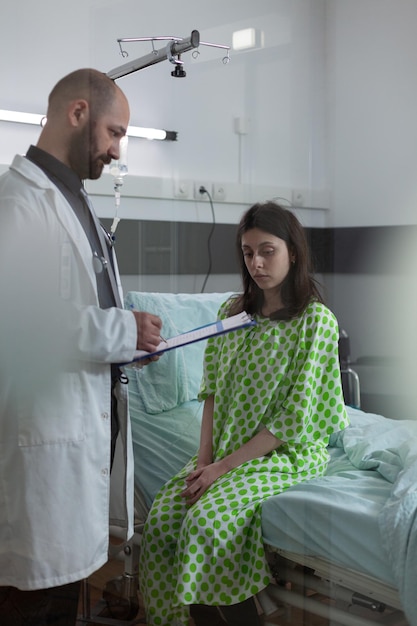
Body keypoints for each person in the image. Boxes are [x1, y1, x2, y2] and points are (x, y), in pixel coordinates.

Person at [0, 68, 162, 625]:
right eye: (114, 132)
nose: (118, 150)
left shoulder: (76, 200)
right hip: (40, 446)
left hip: (78, 439)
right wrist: (123, 331)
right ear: (77, 114)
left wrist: (129, 339)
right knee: (29, 601)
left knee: (64, 597)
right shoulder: (18, 204)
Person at [138, 201, 350, 626]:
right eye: (248, 252)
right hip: (225, 451)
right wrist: (203, 464)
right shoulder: (231, 314)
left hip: (285, 453)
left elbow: (293, 420)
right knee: (163, 520)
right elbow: (211, 393)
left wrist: (221, 470)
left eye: (267, 251)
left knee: (207, 524)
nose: (257, 262)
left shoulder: (315, 322)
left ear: (293, 251)